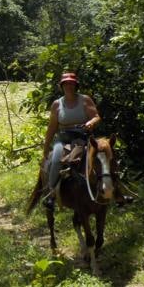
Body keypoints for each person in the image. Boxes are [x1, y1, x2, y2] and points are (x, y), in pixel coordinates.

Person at [41, 72, 128, 207]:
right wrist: (46, 147)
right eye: (66, 84)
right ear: (62, 86)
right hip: (64, 139)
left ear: (76, 86)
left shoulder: (85, 100)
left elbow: (96, 116)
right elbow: (52, 127)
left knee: (106, 156)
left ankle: (118, 191)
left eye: (71, 84)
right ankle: (51, 193)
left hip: (83, 137)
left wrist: (91, 122)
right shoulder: (57, 104)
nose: (69, 86)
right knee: (56, 159)